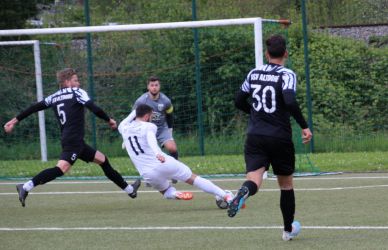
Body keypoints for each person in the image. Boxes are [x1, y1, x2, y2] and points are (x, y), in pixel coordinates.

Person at [3, 68, 140, 207]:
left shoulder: (54, 97)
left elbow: (34, 107)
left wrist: (14, 121)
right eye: (76, 80)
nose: (79, 83)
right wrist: (109, 120)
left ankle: (130, 190)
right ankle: (25, 187)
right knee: (60, 169)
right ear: (67, 82)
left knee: (103, 160)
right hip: (74, 142)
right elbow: (93, 107)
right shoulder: (76, 93)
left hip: (73, 141)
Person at [228, 35, 313, 241]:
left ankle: (243, 193)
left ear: (267, 54)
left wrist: (256, 113)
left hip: (255, 136)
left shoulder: (254, 73)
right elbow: (290, 102)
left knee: (254, 179)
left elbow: (239, 100)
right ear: (285, 53)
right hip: (279, 137)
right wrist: (304, 126)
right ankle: (287, 231)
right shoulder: (287, 74)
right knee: (285, 185)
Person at [118, 104, 233, 206]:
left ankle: (174, 193)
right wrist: (158, 153)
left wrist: (137, 109)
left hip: (147, 172)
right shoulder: (149, 126)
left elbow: (129, 118)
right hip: (163, 162)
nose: (152, 119)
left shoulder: (123, 127)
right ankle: (225, 196)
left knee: (165, 191)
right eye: (151, 116)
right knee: (193, 178)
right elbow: (151, 140)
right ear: (147, 116)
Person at [123, 76, 179, 184]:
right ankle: (150, 176)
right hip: (146, 131)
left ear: (159, 86)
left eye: (156, 85)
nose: (154, 88)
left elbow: (169, 115)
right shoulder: (141, 101)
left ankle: (175, 172)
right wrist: (126, 136)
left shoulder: (166, 101)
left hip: (161, 129)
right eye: (152, 85)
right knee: (149, 153)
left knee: (172, 148)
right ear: (148, 86)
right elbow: (132, 117)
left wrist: (170, 129)